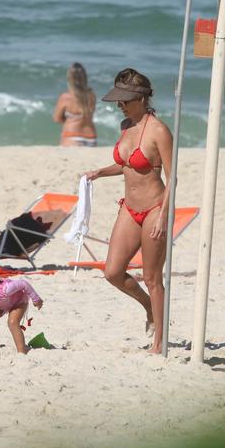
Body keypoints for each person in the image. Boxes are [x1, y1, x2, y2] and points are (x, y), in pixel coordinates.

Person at [83, 68, 173, 354]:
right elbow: (127, 165)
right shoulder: (125, 126)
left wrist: (163, 215)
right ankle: (147, 306)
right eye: (118, 100)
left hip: (154, 208)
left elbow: (173, 177)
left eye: (125, 99)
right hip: (129, 208)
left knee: (152, 278)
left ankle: (159, 341)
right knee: (112, 272)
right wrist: (101, 172)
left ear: (141, 97)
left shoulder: (158, 130)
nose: (120, 104)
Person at [52, 62, 97, 147]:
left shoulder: (65, 97)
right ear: (85, 77)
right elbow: (90, 115)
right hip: (91, 137)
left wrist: (70, 119)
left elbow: (57, 119)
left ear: (70, 78)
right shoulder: (91, 95)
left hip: (71, 135)